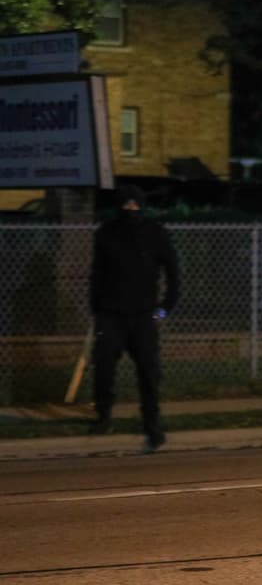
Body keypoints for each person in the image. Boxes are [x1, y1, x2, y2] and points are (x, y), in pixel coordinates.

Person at [88, 184, 180, 452]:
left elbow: (173, 274)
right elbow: (97, 274)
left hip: (142, 315)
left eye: (135, 205)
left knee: (149, 372)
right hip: (111, 314)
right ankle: (103, 415)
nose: (131, 210)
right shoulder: (106, 233)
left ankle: (152, 423)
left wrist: (165, 308)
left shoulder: (155, 233)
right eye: (126, 205)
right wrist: (97, 309)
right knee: (103, 367)